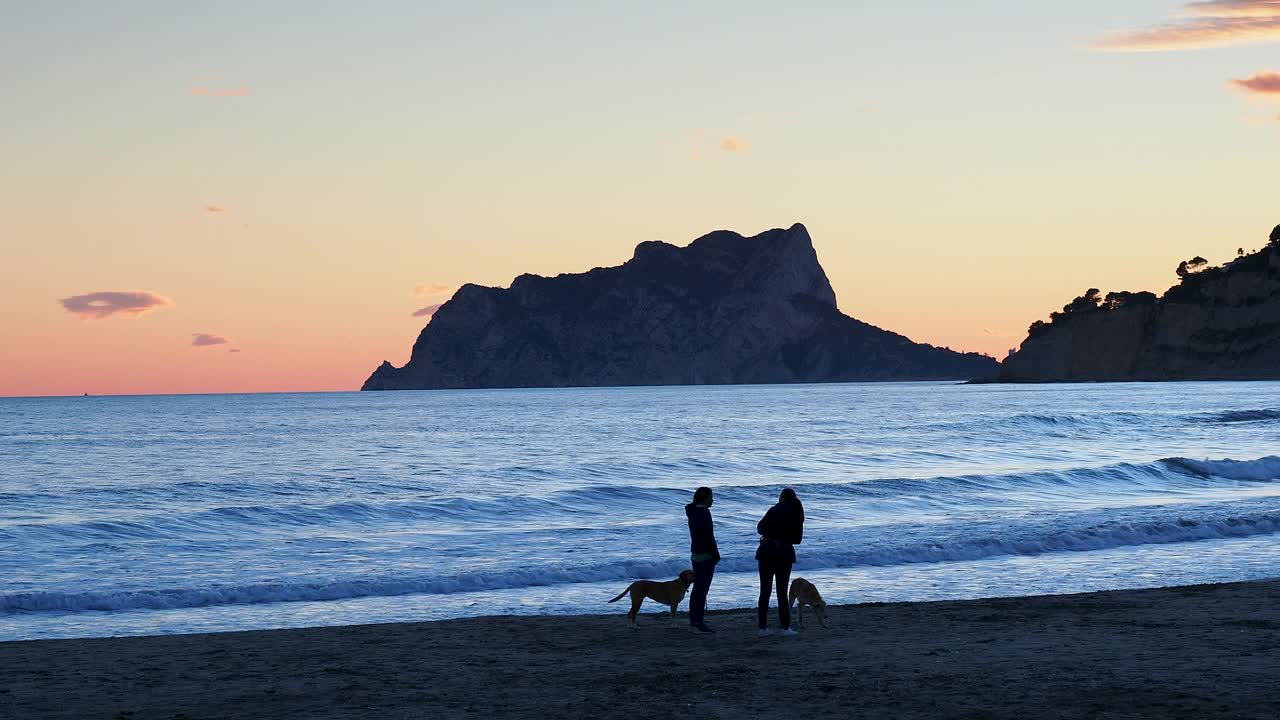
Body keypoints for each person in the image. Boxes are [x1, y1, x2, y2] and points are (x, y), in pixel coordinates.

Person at [755, 487, 804, 637]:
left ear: (782, 498)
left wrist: (771, 534)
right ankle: (785, 627)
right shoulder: (797, 514)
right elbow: (797, 540)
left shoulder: (774, 510)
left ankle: (762, 628)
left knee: (765, 591)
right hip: (784, 554)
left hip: (767, 551)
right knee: (782, 592)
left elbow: (760, 528)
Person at [685, 486, 720, 634]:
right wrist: (716, 554)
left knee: (697, 589)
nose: (712, 500)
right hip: (706, 555)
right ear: (705, 498)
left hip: (695, 553)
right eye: (711, 497)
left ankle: (695, 620)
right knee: (702, 589)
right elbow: (708, 536)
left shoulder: (691, 511)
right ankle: (698, 622)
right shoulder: (704, 512)